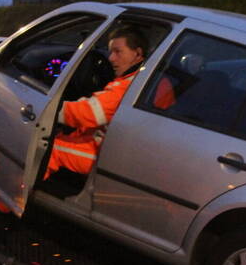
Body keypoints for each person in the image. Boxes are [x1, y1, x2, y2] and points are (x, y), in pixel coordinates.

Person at [44, 25, 165, 179]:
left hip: (108, 154)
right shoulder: (157, 79)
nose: (111, 58)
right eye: (110, 51)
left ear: (137, 53)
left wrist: (49, 107)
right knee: (64, 135)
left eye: (118, 52)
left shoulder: (129, 85)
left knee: (51, 148)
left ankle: (19, 197)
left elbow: (87, 114)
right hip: (132, 150)